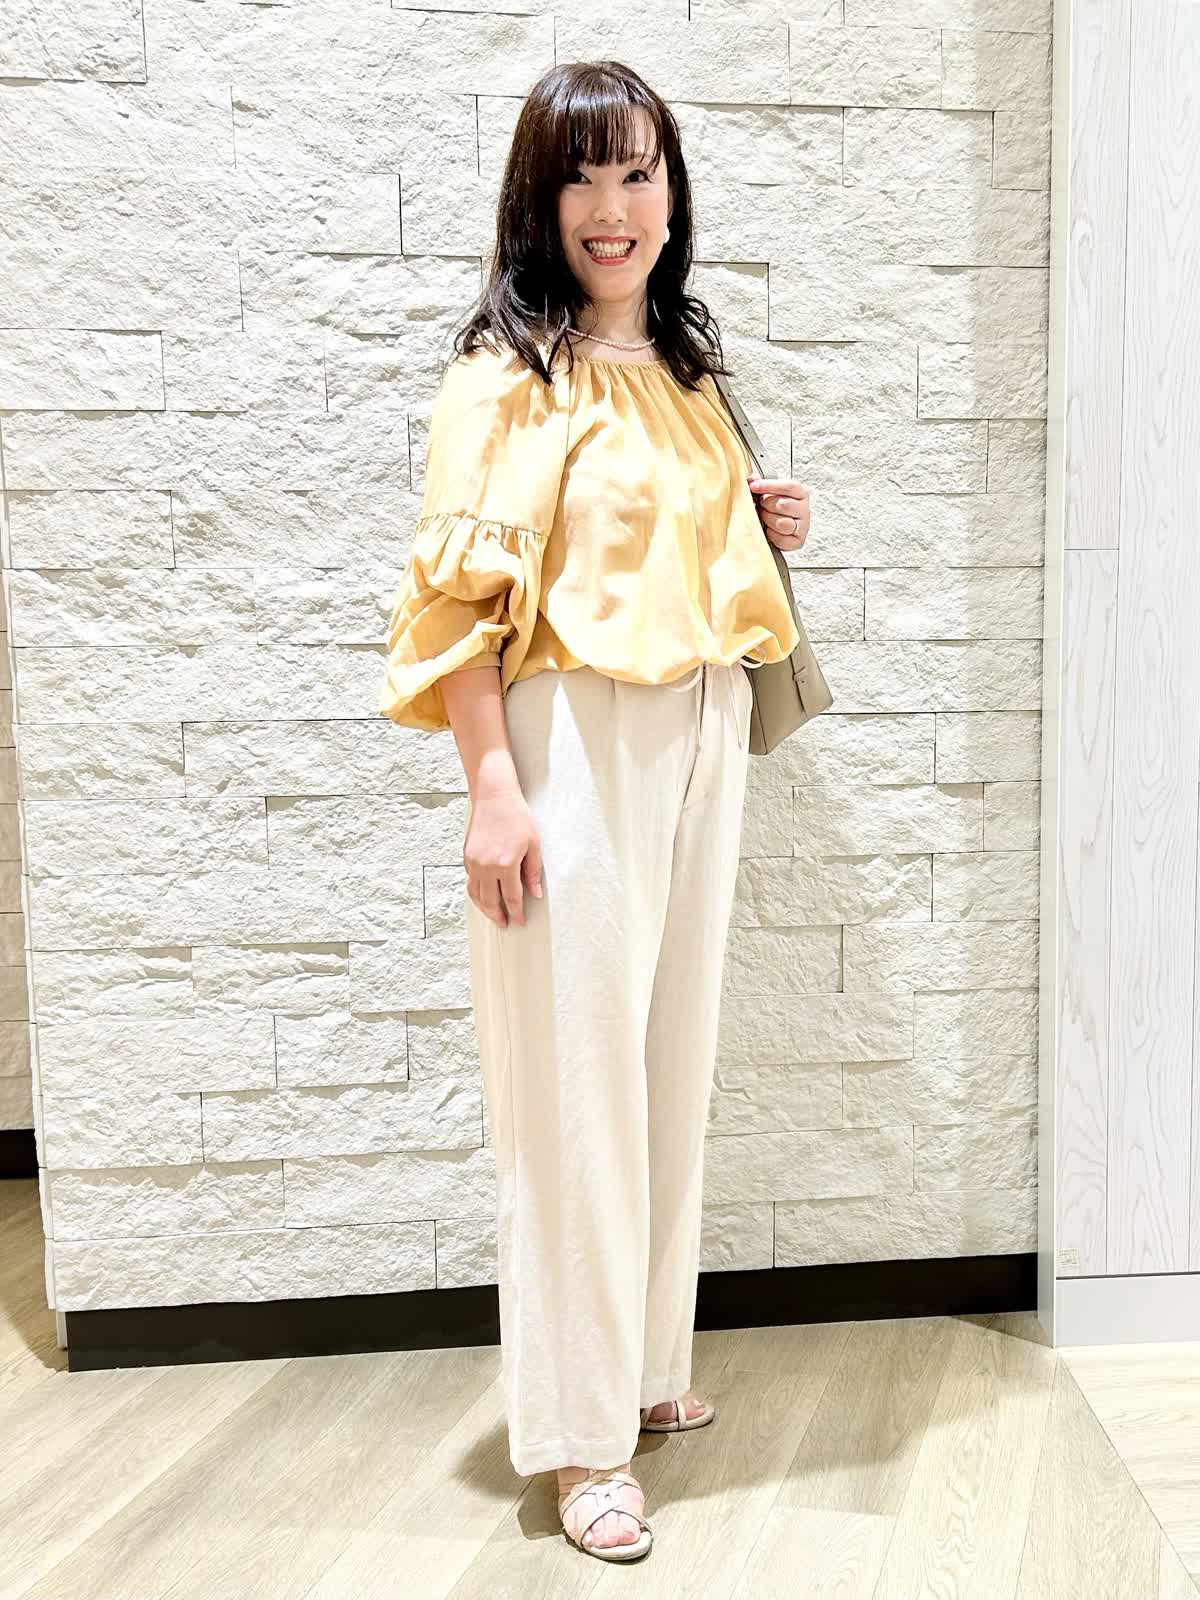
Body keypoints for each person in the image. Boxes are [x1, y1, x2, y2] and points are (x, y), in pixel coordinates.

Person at [377, 60, 811, 1563]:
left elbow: (673, 549)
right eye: (582, 175)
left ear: (671, 194)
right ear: (538, 200)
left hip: (700, 720)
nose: (612, 207)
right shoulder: (506, 374)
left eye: (638, 173)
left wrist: (763, 519)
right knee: (572, 1088)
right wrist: (491, 788)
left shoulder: (687, 371)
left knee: (668, 1057)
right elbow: (458, 603)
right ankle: (577, 1437)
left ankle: (642, 1366)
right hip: (567, 734)